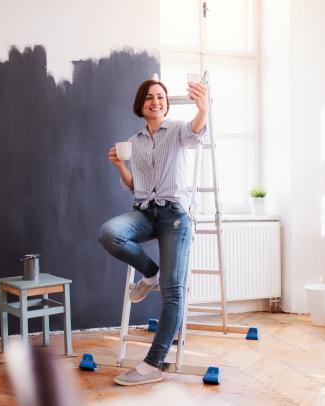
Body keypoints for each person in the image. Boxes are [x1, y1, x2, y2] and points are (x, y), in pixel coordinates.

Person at [98, 77, 209, 386]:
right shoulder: (134, 141)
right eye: (149, 97)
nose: (155, 101)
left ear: (166, 103)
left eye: (160, 96)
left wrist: (203, 108)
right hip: (144, 212)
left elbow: (195, 131)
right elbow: (137, 186)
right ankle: (151, 274)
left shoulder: (176, 130)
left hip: (175, 215)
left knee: (174, 291)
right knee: (109, 233)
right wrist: (120, 167)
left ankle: (153, 363)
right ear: (140, 104)